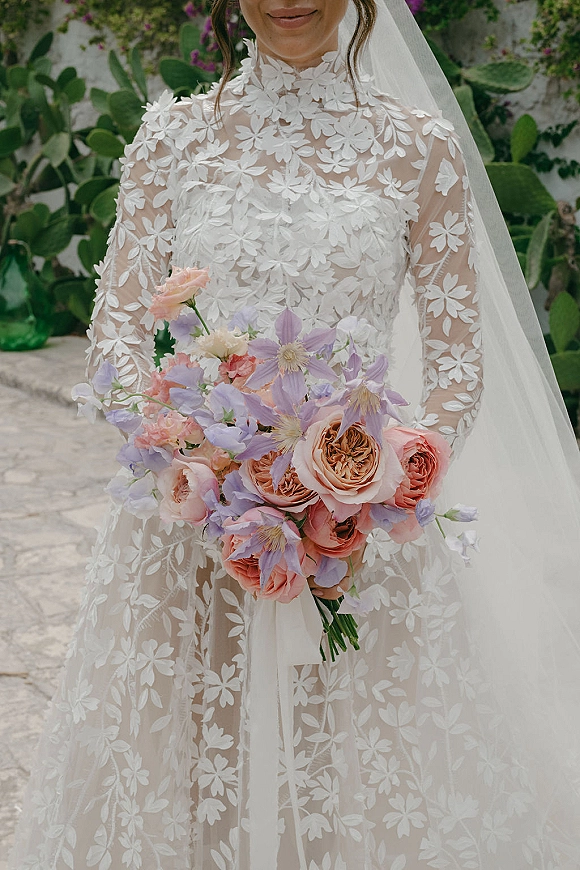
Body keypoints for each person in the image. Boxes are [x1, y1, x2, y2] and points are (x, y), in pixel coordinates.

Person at [7, 1, 580, 868]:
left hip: (358, 537)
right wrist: (185, 446)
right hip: (195, 535)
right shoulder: (172, 139)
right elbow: (117, 334)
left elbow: (459, 364)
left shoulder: (419, 149)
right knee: (187, 766)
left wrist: (367, 475)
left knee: (354, 770)